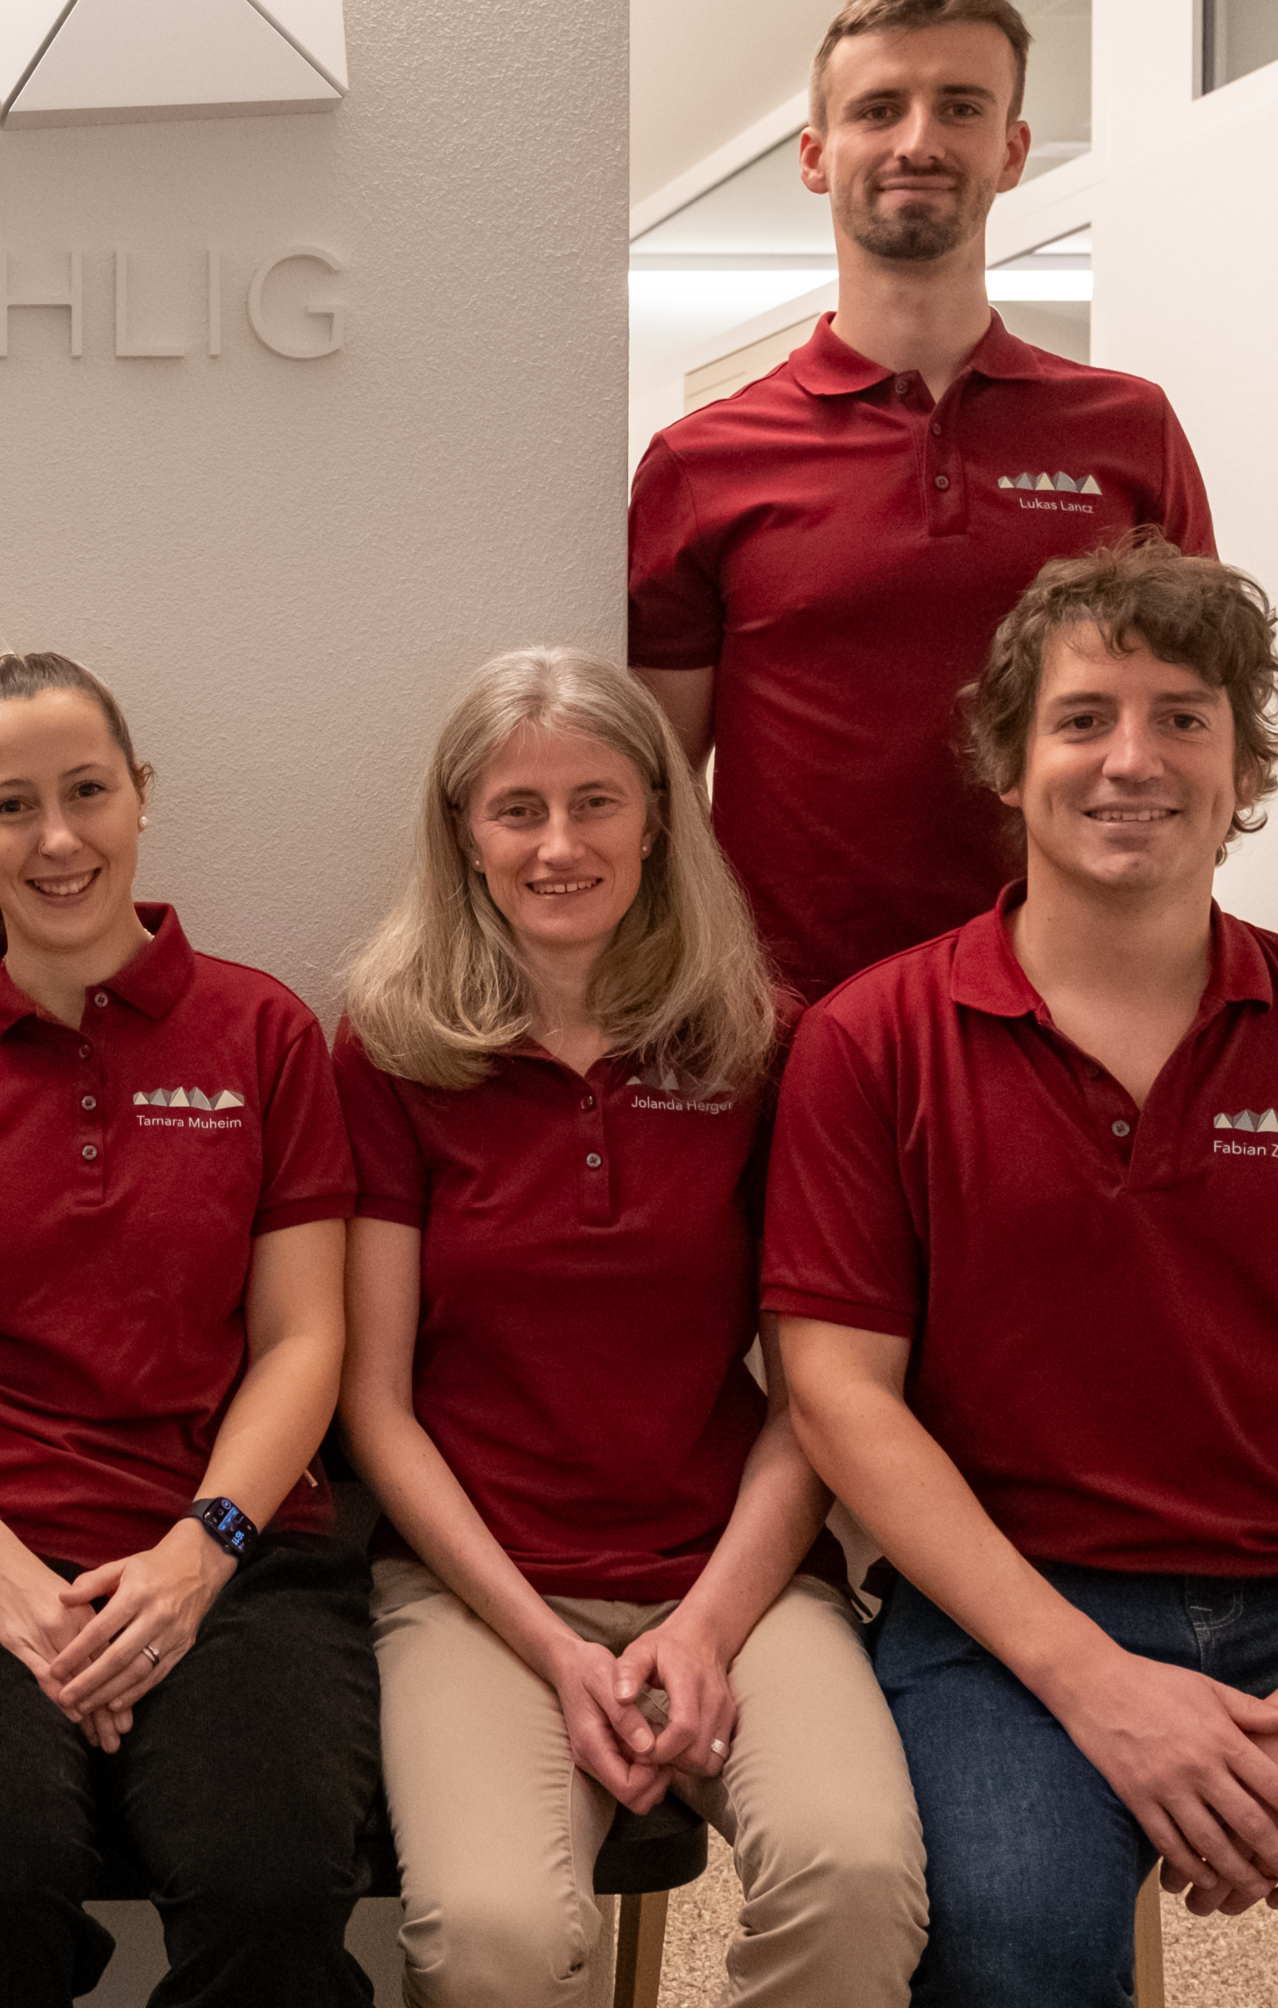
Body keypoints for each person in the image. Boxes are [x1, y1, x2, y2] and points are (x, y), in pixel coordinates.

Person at [767, 535, 1278, 2005]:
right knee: (1010, 1962)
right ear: (1007, 763)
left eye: (1182, 717)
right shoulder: (869, 1043)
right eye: (1082, 718)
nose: (1130, 758)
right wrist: (1095, 1683)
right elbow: (836, 1394)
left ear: (1243, 766)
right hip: (1011, 1613)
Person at [334, 646, 921, 2007]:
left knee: (852, 1878)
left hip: (732, 1570)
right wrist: (552, 1646)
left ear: (658, 816)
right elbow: (374, 1404)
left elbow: (817, 1395)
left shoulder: (761, 1041)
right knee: (493, 1937)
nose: (558, 844)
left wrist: (704, 1628)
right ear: (464, 834)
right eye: (517, 808)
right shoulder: (390, 1047)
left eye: (594, 801)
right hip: (479, 1588)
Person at [0, 649, 377, 2008]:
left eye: (86, 791)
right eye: (10, 805)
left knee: (272, 1889)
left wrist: (198, 1554)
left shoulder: (263, 1034)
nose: (57, 838)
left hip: (231, 1546)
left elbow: (303, 1340)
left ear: (140, 795)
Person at [628, 0, 1216, 1001]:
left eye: (960, 108)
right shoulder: (701, 461)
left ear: (1013, 150)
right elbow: (652, 788)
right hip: (792, 1021)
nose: (918, 141)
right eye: (878, 109)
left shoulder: (1128, 429)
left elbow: (1191, 726)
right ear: (816, 156)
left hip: (1074, 1009)